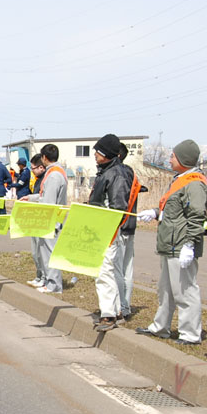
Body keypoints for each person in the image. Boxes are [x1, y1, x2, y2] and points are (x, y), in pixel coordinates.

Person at [136, 139, 207, 345]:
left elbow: (196, 216)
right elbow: (174, 209)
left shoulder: (195, 183)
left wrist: (190, 244)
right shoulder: (180, 179)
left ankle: (190, 334)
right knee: (166, 289)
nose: (169, 160)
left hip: (181, 245)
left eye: (173, 156)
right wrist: (155, 212)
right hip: (170, 243)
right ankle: (161, 327)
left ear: (184, 159)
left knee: (185, 290)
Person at [87, 134, 131, 333]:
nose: (95, 155)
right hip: (100, 229)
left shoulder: (116, 174)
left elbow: (118, 207)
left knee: (105, 272)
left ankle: (108, 315)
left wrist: (108, 228)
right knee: (107, 272)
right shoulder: (106, 172)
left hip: (108, 231)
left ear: (106, 154)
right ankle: (115, 311)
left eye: (98, 151)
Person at [20, 144, 67, 294]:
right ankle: (48, 281)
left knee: (49, 253)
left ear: (45, 158)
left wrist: (36, 202)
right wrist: (32, 197)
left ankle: (53, 284)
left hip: (51, 219)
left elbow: (48, 201)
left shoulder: (54, 175)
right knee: (45, 253)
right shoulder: (55, 172)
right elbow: (44, 196)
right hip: (51, 217)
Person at [114, 142, 145, 324]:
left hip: (120, 227)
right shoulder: (130, 172)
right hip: (130, 225)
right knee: (127, 269)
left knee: (117, 269)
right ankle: (125, 307)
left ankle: (120, 307)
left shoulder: (117, 174)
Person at [25, 155, 47, 287]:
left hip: (42, 219)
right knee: (35, 251)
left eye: (33, 168)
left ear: (41, 167)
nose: (32, 171)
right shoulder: (38, 179)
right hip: (34, 217)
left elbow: (44, 197)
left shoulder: (46, 179)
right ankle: (39, 276)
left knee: (41, 251)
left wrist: (30, 198)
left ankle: (44, 277)